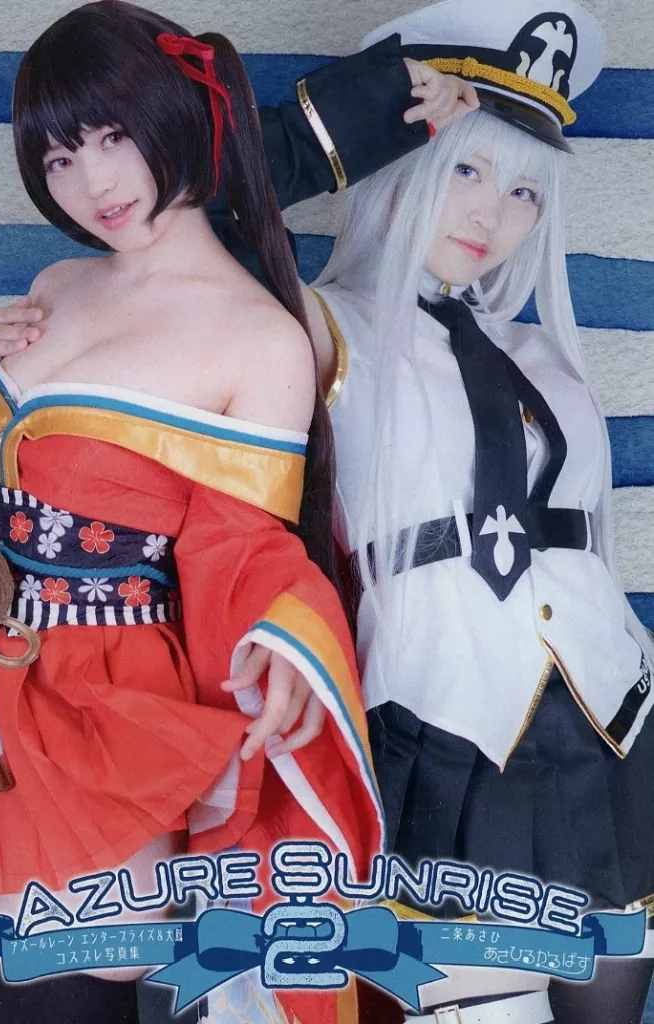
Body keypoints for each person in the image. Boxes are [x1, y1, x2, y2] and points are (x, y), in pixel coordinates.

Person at [0, 3, 386, 1023]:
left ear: (177, 115)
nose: (91, 182)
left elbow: (244, 543)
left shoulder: (260, 340)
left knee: (56, 990)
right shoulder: (56, 282)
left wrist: (286, 636)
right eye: (59, 158)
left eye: (112, 136)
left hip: (107, 706)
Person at [294, 1, 654, 1022]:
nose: (492, 214)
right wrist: (370, 111)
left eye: (524, 190)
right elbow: (187, 210)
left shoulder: (542, 354)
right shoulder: (315, 326)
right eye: (465, 168)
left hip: (609, 722)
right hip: (440, 722)